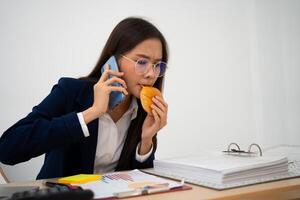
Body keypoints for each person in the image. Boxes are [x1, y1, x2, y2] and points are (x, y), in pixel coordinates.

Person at [0, 17, 169, 179]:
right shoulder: (71, 92)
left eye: (157, 65)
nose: (151, 74)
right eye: (141, 62)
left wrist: (146, 140)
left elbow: (139, 182)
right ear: (114, 60)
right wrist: (92, 112)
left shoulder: (143, 109)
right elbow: (7, 150)